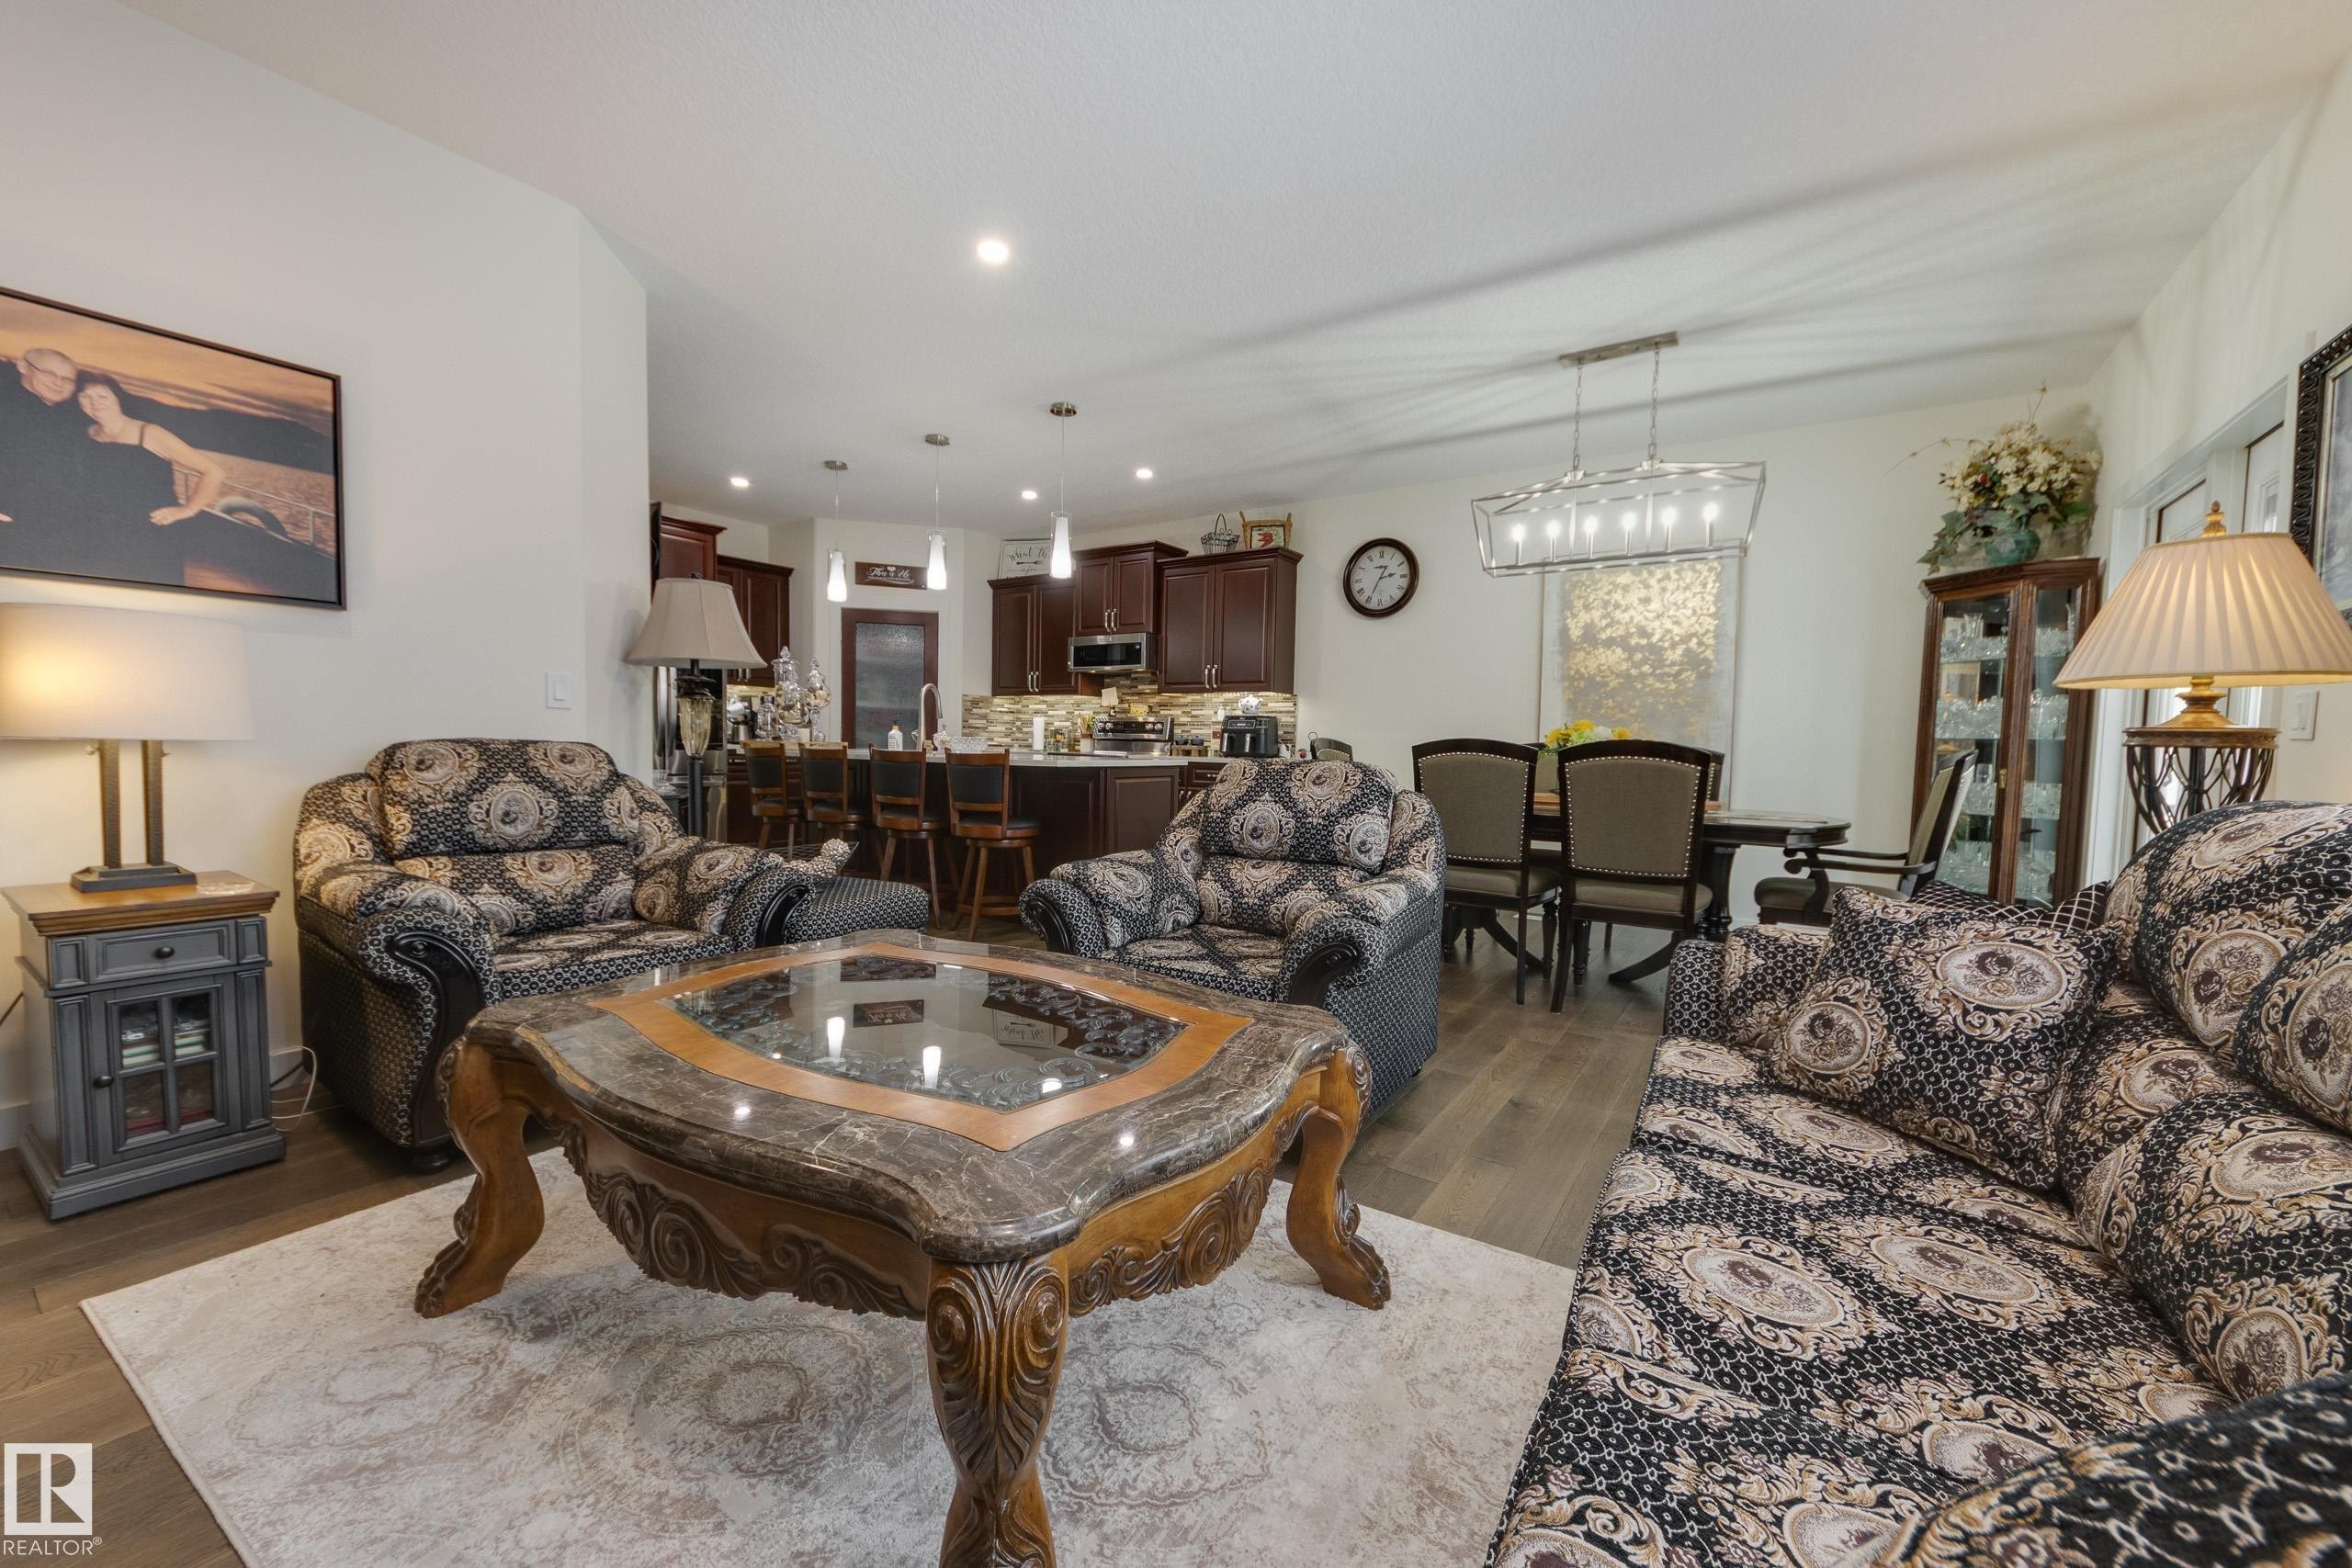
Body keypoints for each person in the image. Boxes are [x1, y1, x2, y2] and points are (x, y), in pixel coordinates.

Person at [75, 374, 228, 585]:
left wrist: (188, 510)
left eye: (103, 396)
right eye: (85, 397)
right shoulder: (89, 433)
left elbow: (214, 472)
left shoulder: (149, 433)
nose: (94, 403)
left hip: (149, 533)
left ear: (118, 398)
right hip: (103, 530)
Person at [0, 347, 96, 570]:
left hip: (53, 533)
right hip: (9, 526)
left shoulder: (73, 420)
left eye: (67, 379)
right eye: (49, 373)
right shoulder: (5, 404)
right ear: (23, 367)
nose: (58, 382)